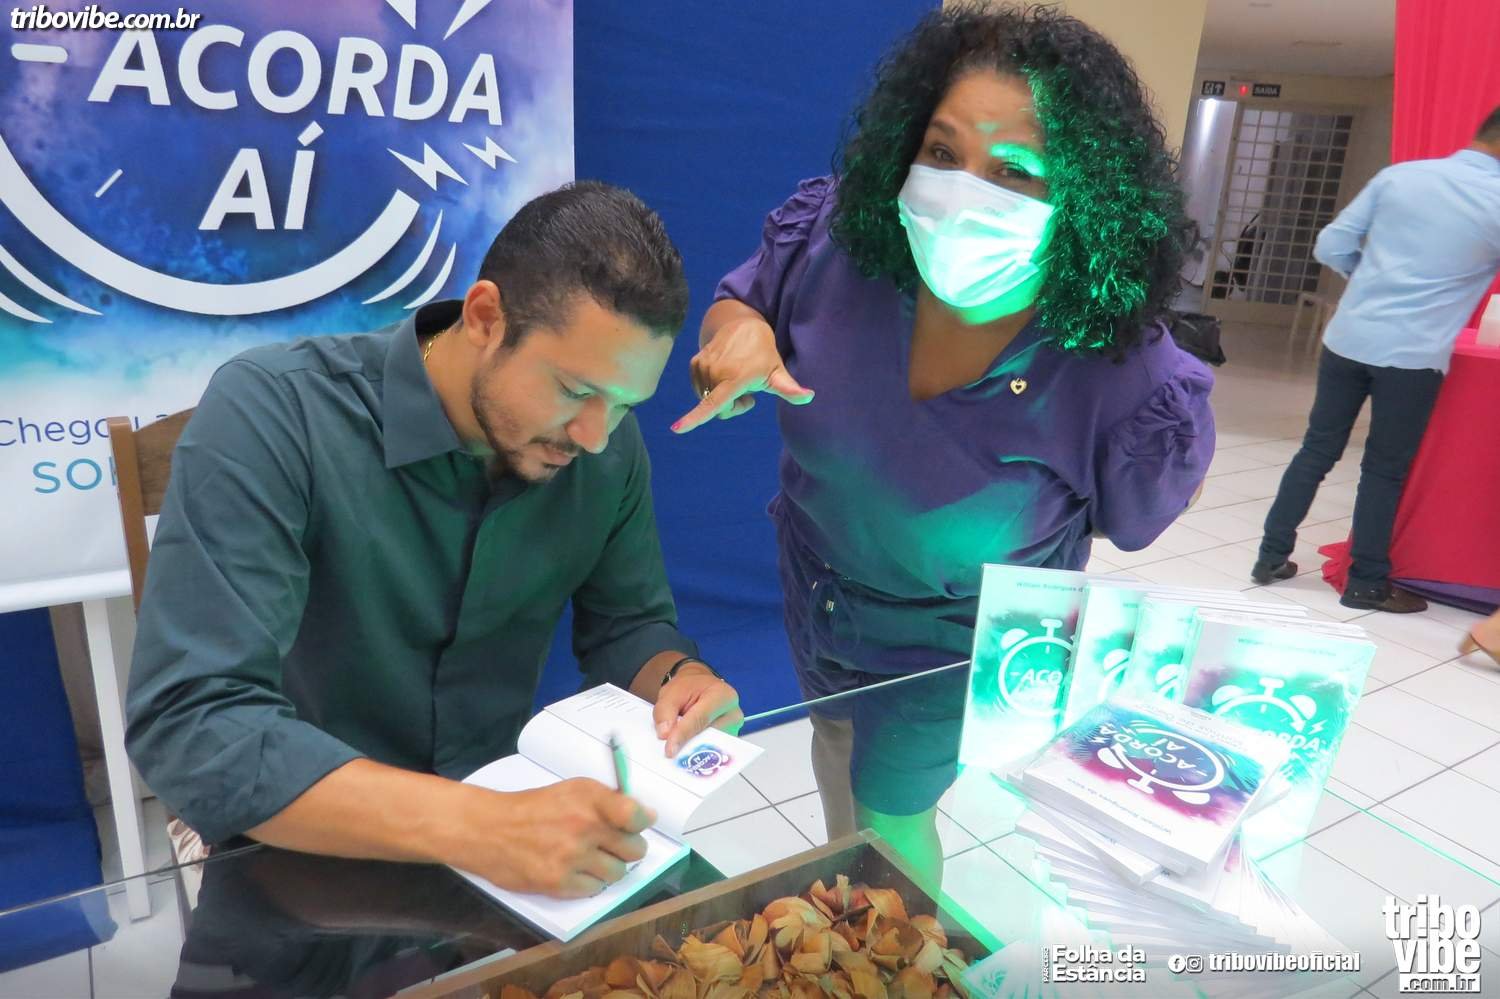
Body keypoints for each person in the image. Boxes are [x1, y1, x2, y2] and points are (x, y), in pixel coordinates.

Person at [672, 4, 1214, 885]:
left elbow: (1142, 517)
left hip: (955, 636)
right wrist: (736, 333)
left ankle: (892, 935)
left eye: (1014, 171)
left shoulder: (1121, 369)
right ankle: (844, 888)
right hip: (818, 579)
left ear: (1085, 196)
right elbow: (744, 302)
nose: (963, 192)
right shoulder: (839, 244)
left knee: (893, 817)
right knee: (833, 745)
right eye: (942, 152)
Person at [126, 182, 744, 901]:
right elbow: (193, 723)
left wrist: (677, 680)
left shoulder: (605, 446)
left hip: (505, 827)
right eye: (576, 392)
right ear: (485, 317)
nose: (595, 436)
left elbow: (628, 625)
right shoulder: (275, 413)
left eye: (625, 404)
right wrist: (479, 824)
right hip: (298, 837)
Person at [1253, 106, 1500, 613]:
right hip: (1413, 355)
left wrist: (1369, 280)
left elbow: (1330, 245)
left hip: (1349, 337)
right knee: (1383, 470)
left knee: (1316, 451)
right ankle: (1366, 583)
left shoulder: (1400, 177)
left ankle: (1270, 557)